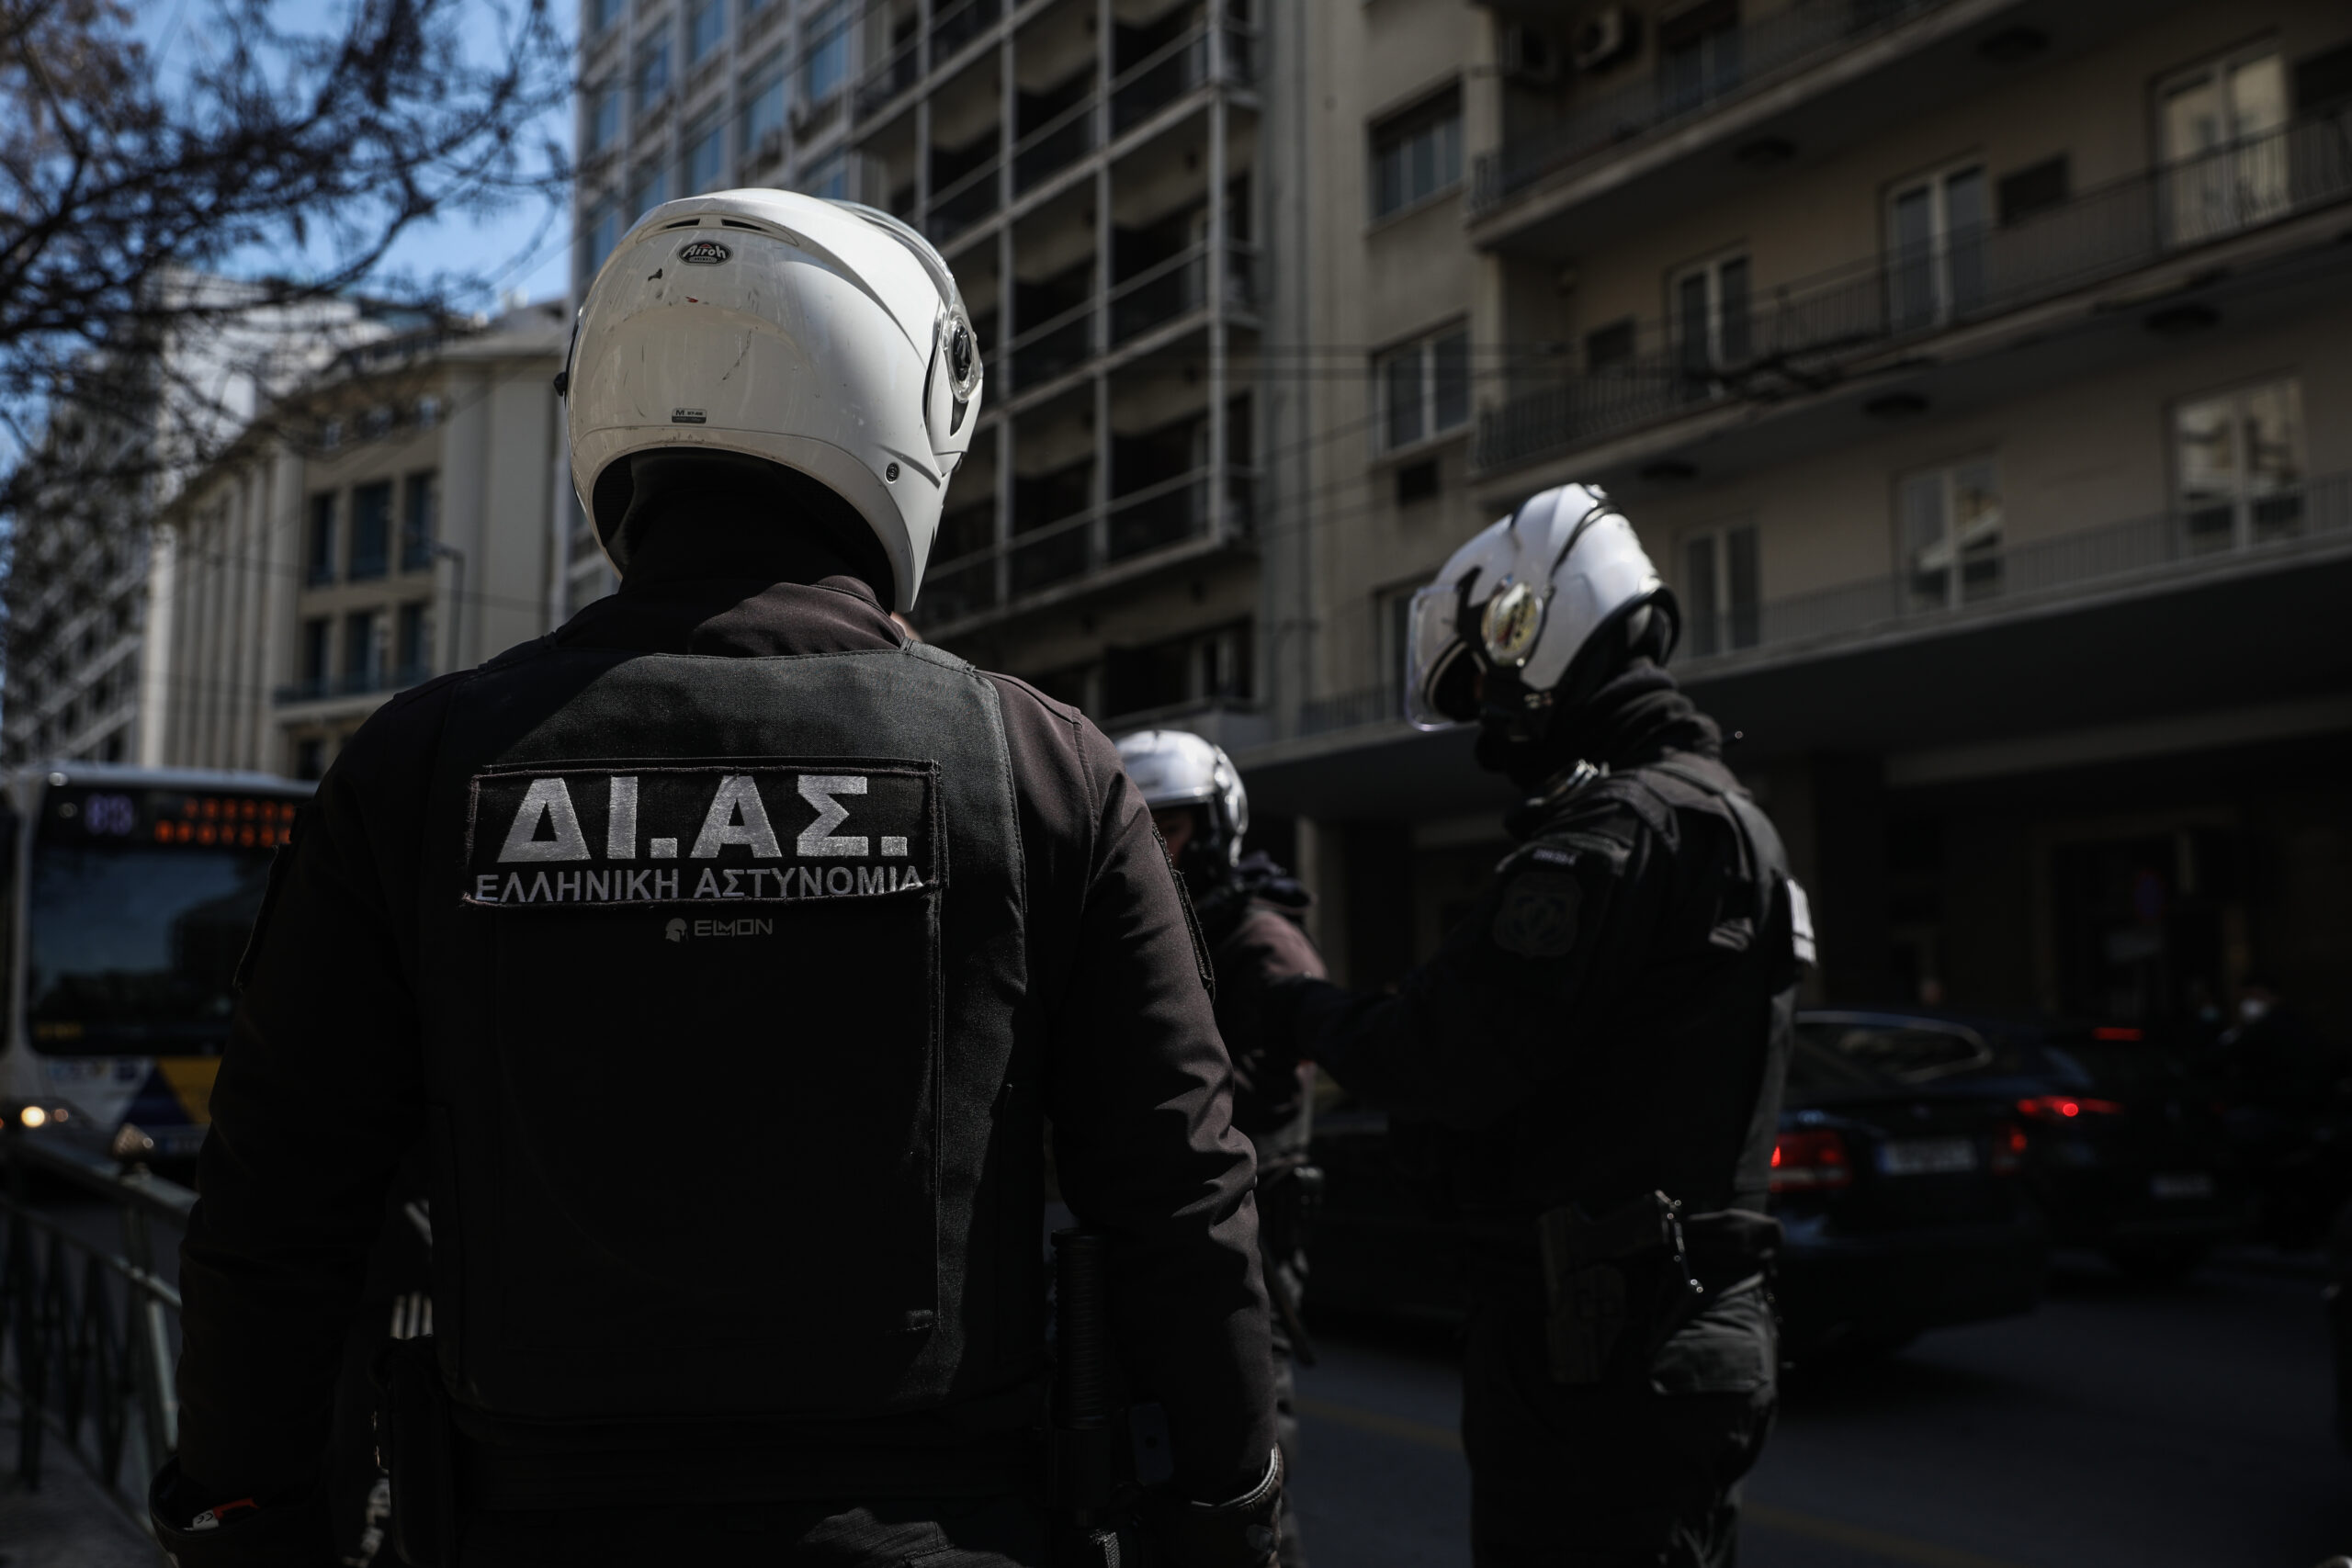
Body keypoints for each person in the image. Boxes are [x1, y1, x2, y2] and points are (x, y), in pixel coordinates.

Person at [150, 188, 1281, 1568]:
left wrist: (245, 1523)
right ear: (908, 411)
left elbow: (274, 1212)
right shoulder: (1043, 767)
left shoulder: (415, 767)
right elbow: (1181, 1201)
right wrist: (1229, 1519)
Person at [1270, 484, 1807, 1568]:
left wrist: (1289, 1004)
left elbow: (1439, 1054)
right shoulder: (1721, 815)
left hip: (1603, 1350)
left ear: (1534, 625)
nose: (1487, 719)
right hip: (1672, 1332)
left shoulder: (1617, 834)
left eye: (1483, 680)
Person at [1114, 730, 1326, 1568]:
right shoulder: (1161, 934)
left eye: (1171, 829)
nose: (1157, 850)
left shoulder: (1259, 942)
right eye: (1142, 830)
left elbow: (1255, 1097)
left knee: (1247, 1458)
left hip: (1242, 1237)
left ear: (1216, 828)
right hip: (1172, 1234)